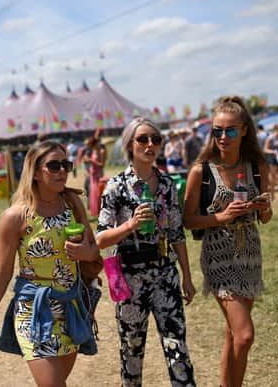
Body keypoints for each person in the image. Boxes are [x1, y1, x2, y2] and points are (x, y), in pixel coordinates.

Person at [0, 141, 99, 387]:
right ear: (34, 172)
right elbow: (3, 271)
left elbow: (94, 250)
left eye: (66, 165)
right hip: (34, 311)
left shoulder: (72, 204)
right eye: (53, 166)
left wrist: (85, 253)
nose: (62, 172)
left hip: (70, 308)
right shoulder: (15, 217)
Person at [96, 117, 196, 386]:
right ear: (130, 144)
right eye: (142, 139)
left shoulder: (167, 184)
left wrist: (186, 275)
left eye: (155, 139)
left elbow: (176, 232)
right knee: (131, 351)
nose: (150, 144)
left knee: (177, 349)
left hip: (165, 273)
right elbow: (101, 238)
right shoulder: (115, 186)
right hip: (128, 278)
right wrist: (131, 224)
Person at [183, 95, 272, 387]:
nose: (223, 136)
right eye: (217, 131)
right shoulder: (202, 172)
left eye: (230, 130)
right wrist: (221, 217)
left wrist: (264, 208)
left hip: (249, 254)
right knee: (245, 335)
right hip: (219, 257)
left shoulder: (257, 166)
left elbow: (267, 217)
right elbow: (188, 220)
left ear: (244, 130)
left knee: (233, 335)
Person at [86, 138, 104, 217]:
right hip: (92, 175)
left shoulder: (101, 152)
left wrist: (92, 161)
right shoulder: (93, 151)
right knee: (93, 193)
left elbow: (102, 165)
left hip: (98, 175)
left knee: (98, 194)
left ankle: (99, 211)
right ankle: (94, 211)